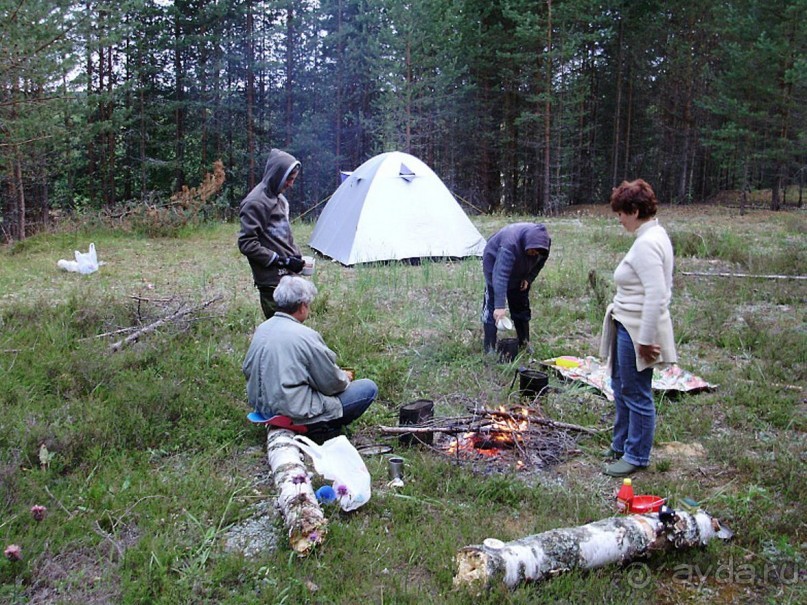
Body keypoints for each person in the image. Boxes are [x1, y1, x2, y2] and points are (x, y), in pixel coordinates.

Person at [600, 179, 677, 477]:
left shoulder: (648, 243)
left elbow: (657, 295)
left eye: (620, 213)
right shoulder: (651, 235)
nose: (618, 219)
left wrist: (644, 341)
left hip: (636, 330)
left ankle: (637, 455)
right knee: (621, 387)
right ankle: (621, 443)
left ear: (633, 211)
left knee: (636, 393)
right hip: (625, 323)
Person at [243, 276, 378, 435]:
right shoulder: (305, 335)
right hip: (293, 412)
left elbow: (247, 369)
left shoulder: (262, 329)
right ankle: (323, 429)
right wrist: (344, 377)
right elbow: (331, 384)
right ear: (302, 306)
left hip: (263, 408)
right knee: (368, 387)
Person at [238, 149, 306, 319]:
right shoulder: (256, 202)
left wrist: (295, 258)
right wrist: (281, 260)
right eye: (288, 179)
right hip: (272, 281)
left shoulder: (279, 199)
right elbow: (247, 243)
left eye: (293, 180)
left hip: (287, 276)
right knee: (281, 324)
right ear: (277, 175)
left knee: (293, 323)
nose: (290, 184)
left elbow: (281, 236)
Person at [481, 223, 551, 355]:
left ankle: (524, 343)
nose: (535, 253)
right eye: (532, 251)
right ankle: (489, 348)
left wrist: (529, 278)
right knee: (492, 310)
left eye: (537, 252)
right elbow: (500, 275)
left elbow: (541, 262)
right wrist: (499, 306)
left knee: (521, 307)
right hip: (494, 267)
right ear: (527, 243)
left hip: (520, 272)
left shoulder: (543, 245)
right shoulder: (510, 245)